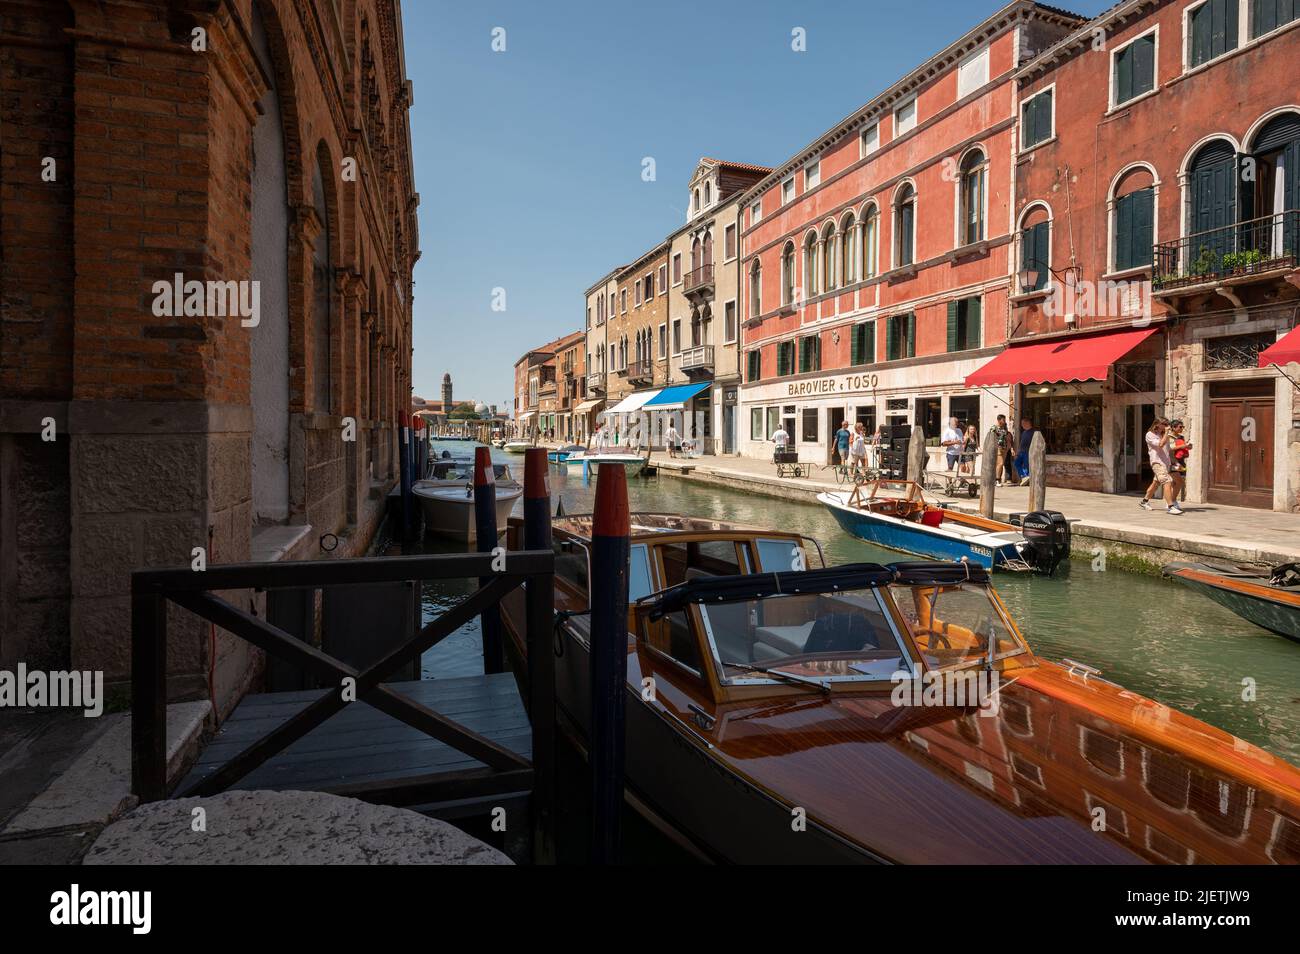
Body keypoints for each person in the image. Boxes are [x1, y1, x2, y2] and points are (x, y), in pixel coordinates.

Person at [1140, 418, 1182, 515]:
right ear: (1157, 424)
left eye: (1167, 424)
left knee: (1156, 483)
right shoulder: (1150, 435)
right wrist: (1167, 433)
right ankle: (1171, 507)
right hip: (1157, 463)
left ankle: (1144, 502)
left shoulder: (1164, 434)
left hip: (1166, 463)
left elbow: (1168, 450)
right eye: (1164, 424)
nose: (1166, 426)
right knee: (1167, 481)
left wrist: (1174, 462)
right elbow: (1160, 444)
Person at [1169, 419, 1192, 503]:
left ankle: (1172, 501)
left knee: (1179, 481)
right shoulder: (1169, 437)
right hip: (1173, 461)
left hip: (1181, 461)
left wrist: (1187, 447)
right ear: (1173, 427)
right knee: (1174, 482)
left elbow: (1182, 446)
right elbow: (1169, 448)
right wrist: (1182, 446)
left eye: (1183, 426)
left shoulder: (1181, 437)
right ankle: (1171, 501)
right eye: (1180, 427)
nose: (1182, 428)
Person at [988, 414, 1014, 486]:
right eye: (1003, 420)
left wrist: (1010, 448)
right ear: (999, 420)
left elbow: (1007, 438)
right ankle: (997, 480)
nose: (1004, 421)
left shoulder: (1004, 428)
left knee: (1000, 465)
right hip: (998, 447)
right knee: (1000, 463)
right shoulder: (994, 428)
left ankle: (998, 479)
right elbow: (991, 438)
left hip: (1004, 448)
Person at [1014, 417, 1039, 486]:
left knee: (1026, 466)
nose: (1022, 425)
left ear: (1027, 423)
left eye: (1023, 423)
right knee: (1016, 463)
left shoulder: (1034, 432)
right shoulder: (1024, 432)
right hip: (1021, 452)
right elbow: (1021, 443)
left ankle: (1027, 480)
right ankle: (1024, 476)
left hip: (1028, 452)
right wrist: (1018, 452)